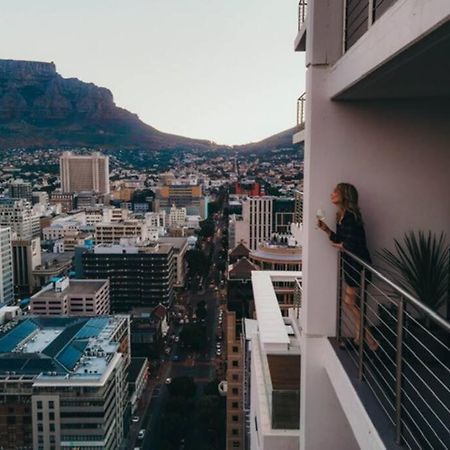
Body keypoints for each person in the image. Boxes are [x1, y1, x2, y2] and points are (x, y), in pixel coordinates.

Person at [318, 183, 378, 351]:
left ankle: (370, 341)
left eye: (335, 192)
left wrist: (342, 246)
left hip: (358, 265)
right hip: (352, 265)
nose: (332, 194)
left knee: (349, 302)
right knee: (354, 304)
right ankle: (360, 339)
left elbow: (352, 243)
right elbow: (341, 239)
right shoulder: (342, 215)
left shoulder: (350, 216)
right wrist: (327, 231)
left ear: (344, 195)